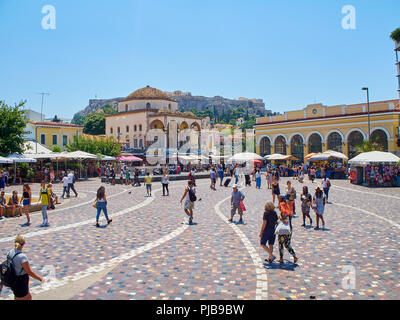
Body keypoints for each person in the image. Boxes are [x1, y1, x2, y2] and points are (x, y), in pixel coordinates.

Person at [0, 235, 44, 300]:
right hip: (20, 282)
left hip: (14, 280)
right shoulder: (22, 257)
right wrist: (40, 279)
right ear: (23, 244)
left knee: (28, 297)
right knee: (22, 297)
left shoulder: (10, 252)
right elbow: (29, 272)